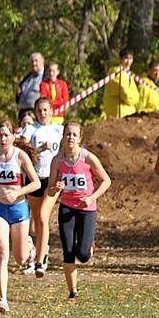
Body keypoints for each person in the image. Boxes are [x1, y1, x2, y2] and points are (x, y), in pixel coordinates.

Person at [47, 122, 111, 302]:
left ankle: (88, 246)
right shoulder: (57, 160)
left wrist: (91, 197)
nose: (71, 138)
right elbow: (50, 190)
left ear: (80, 138)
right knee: (68, 250)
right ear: (63, 136)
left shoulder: (88, 158)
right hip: (67, 207)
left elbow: (106, 181)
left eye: (74, 134)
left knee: (82, 255)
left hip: (86, 208)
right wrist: (56, 188)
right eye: (68, 134)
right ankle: (73, 292)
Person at [0, 118, 41, 313]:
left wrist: (17, 192)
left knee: (20, 258)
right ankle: (3, 299)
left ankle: (29, 247)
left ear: (13, 136)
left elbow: (36, 183)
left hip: (18, 208)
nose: (2, 138)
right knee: (2, 252)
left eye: (6, 135)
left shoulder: (20, 157)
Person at [20, 97, 63, 277]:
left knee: (44, 217)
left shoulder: (59, 130)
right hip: (34, 179)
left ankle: (40, 259)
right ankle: (42, 248)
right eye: (39, 110)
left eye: (45, 110)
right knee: (37, 220)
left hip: (52, 180)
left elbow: (67, 151)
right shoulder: (30, 130)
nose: (42, 113)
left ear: (52, 111)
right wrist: (39, 150)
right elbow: (21, 153)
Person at [102, 47, 140, 118]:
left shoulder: (130, 75)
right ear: (120, 59)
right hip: (117, 114)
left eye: (130, 58)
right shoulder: (115, 72)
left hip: (129, 113)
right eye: (126, 58)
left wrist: (131, 99)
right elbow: (126, 95)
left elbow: (137, 97)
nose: (128, 61)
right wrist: (131, 99)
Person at [15, 52, 46, 122]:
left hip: (36, 112)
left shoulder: (46, 77)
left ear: (42, 62)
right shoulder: (27, 77)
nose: (34, 64)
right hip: (23, 112)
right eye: (32, 61)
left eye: (36, 61)